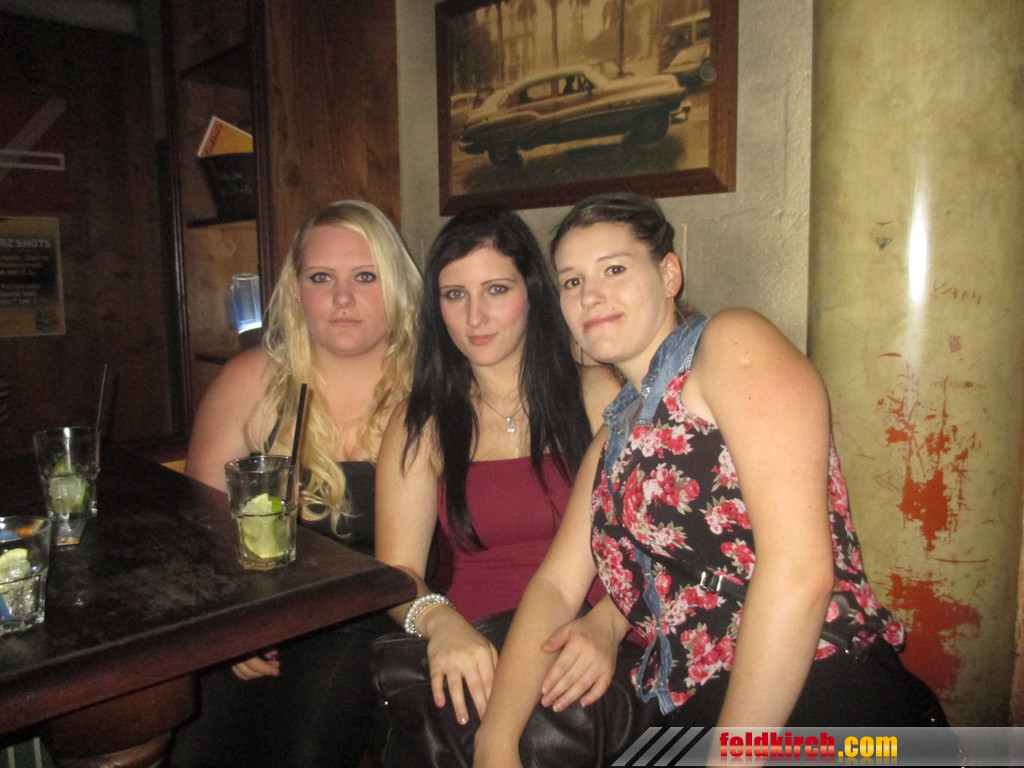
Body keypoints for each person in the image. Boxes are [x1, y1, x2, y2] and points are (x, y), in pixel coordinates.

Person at [474, 192, 946, 767]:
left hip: (810, 684)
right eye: (572, 281)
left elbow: (800, 574)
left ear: (669, 274)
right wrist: (495, 740)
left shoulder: (730, 343)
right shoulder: (612, 439)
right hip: (696, 706)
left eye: (614, 269)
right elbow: (554, 587)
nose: (589, 294)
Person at [170, 199, 422, 768]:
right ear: (295, 291)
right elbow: (199, 525)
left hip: (379, 613)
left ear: (397, 288)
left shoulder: (433, 386)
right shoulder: (250, 381)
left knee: (302, 749)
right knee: (191, 748)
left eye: (365, 277)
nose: (342, 298)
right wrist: (232, 625)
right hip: (259, 609)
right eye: (321, 278)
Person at [373, 206, 622, 764]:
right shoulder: (421, 421)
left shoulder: (596, 392)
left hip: (588, 637)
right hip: (476, 642)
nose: (475, 316)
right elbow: (397, 571)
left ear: (533, 292)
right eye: (454, 295)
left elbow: (657, 542)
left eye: (496, 289)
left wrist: (609, 624)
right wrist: (440, 625)